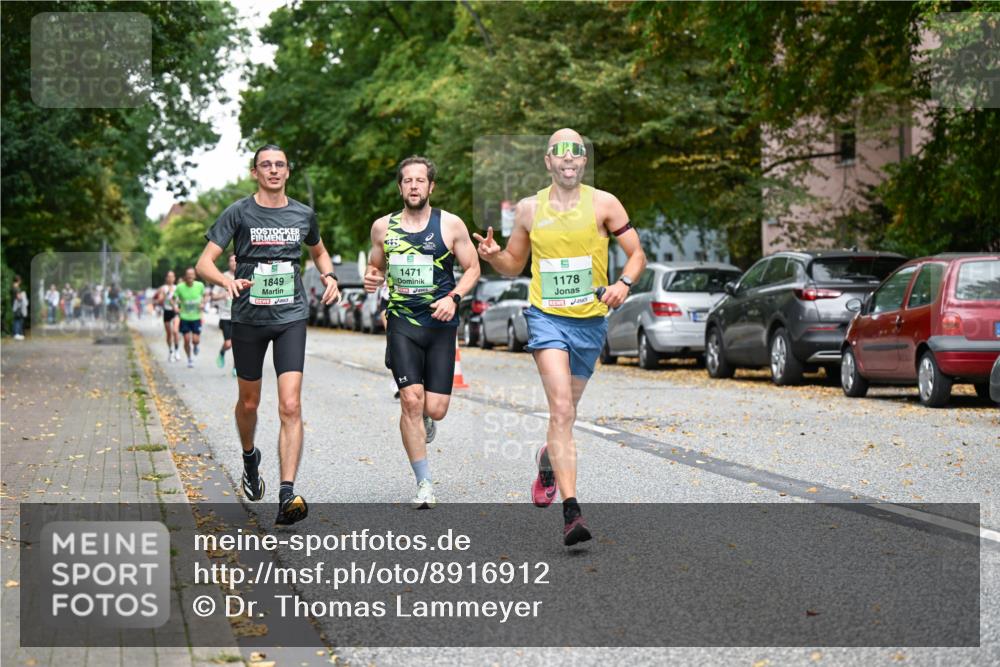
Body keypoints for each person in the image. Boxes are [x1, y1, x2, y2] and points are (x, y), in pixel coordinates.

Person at [473, 129, 646, 545]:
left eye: (576, 152)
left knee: (565, 416)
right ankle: (572, 512)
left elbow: (636, 254)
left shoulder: (605, 203)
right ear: (548, 161)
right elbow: (515, 264)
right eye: (560, 153)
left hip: (590, 324)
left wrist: (623, 283)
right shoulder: (529, 209)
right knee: (563, 410)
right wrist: (495, 257)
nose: (568, 159)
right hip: (546, 318)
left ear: (583, 161)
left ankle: (547, 459)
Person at [196, 144, 340, 526]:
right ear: (255, 172)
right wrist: (225, 280)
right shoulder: (239, 212)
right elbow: (204, 262)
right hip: (248, 318)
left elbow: (319, 252)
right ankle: (250, 457)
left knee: (290, 405)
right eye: (266, 165)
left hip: (291, 316)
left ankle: (286, 494)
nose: (273, 170)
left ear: (287, 171)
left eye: (280, 165)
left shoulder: (303, 214)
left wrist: (329, 276)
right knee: (249, 403)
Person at [364, 156, 481, 509]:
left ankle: (428, 417)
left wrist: (454, 298)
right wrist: (372, 278)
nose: (413, 186)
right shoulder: (382, 228)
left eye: (420, 180)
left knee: (436, 408)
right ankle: (424, 482)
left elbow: (473, 268)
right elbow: (375, 266)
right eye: (407, 181)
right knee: (411, 400)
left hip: (440, 324)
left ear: (431, 186)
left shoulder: (451, 225)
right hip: (402, 322)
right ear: (400, 187)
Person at [175, 268, 206, 368]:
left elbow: (205, 296)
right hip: (184, 318)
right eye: (188, 274)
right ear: (185, 276)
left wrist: (203, 303)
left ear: (195, 276)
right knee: (186, 340)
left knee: (195, 340)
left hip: (196, 318)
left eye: (192, 274)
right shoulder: (180, 287)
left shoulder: (200, 285)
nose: (190, 276)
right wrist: (175, 307)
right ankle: (189, 358)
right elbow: (172, 298)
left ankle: (196, 345)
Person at [213, 253, 237, 376]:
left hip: (240, 317)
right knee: (228, 343)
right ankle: (222, 352)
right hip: (225, 316)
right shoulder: (222, 277)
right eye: (231, 260)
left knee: (239, 345)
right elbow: (213, 296)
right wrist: (223, 295)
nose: (234, 263)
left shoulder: (243, 275)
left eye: (236, 260)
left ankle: (236, 368)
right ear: (228, 263)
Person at [155, 272, 181, 361]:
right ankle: (171, 351)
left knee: (175, 331)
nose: (170, 278)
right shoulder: (163, 288)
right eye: (169, 276)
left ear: (174, 278)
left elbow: (181, 299)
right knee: (169, 334)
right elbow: (159, 300)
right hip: (167, 311)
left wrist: (179, 305)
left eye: (172, 276)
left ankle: (177, 350)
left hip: (175, 311)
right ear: (166, 278)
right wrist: (164, 295)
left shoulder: (177, 288)